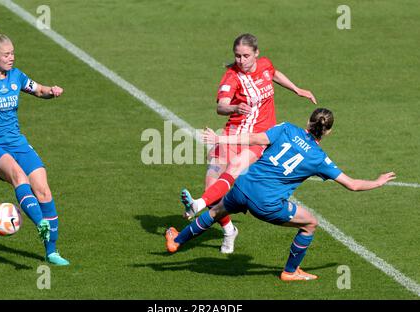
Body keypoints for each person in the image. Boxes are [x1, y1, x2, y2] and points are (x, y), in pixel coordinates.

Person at [167, 108, 395, 281]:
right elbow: (352, 185)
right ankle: (290, 271)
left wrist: (221, 139)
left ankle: (177, 241)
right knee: (310, 224)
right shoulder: (319, 158)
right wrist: (377, 182)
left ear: (308, 121)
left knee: (216, 211)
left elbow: (254, 139)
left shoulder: (286, 128)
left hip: (243, 186)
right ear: (328, 132)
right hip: (266, 204)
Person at [181, 33, 317, 254]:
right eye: (237, 56)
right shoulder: (231, 77)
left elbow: (274, 74)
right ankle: (228, 231)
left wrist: (297, 89)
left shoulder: (264, 65)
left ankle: (198, 205)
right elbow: (221, 106)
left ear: (256, 54)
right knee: (211, 184)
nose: (241, 60)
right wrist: (235, 108)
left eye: (245, 56)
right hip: (233, 133)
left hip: (260, 137)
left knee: (234, 168)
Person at [0, 1, 69, 265]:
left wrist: (51, 91)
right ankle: (40, 223)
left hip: (17, 141)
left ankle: (52, 252)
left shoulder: (16, 76)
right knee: (18, 175)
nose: (11, 58)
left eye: (13, 53)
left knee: (44, 189)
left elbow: (37, 89)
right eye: (6, 55)